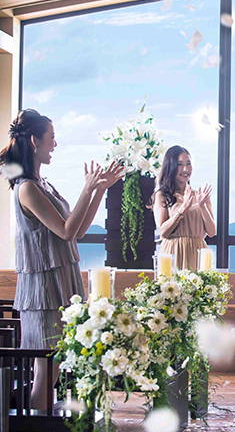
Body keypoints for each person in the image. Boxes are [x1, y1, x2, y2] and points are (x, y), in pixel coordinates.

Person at [0, 109, 124, 410]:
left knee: (54, 364)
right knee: (46, 366)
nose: (55, 144)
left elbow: (78, 229)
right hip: (43, 290)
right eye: (51, 138)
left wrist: (98, 191)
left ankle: (41, 421)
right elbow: (67, 231)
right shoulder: (27, 188)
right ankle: (36, 423)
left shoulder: (43, 184)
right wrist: (88, 187)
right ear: (34, 140)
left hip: (59, 282)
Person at [153, 145, 215, 271]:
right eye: (180, 164)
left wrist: (202, 206)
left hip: (198, 252)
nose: (185, 169)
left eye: (188, 163)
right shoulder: (162, 195)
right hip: (172, 252)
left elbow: (212, 232)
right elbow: (163, 232)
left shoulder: (201, 195)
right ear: (171, 166)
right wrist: (184, 207)